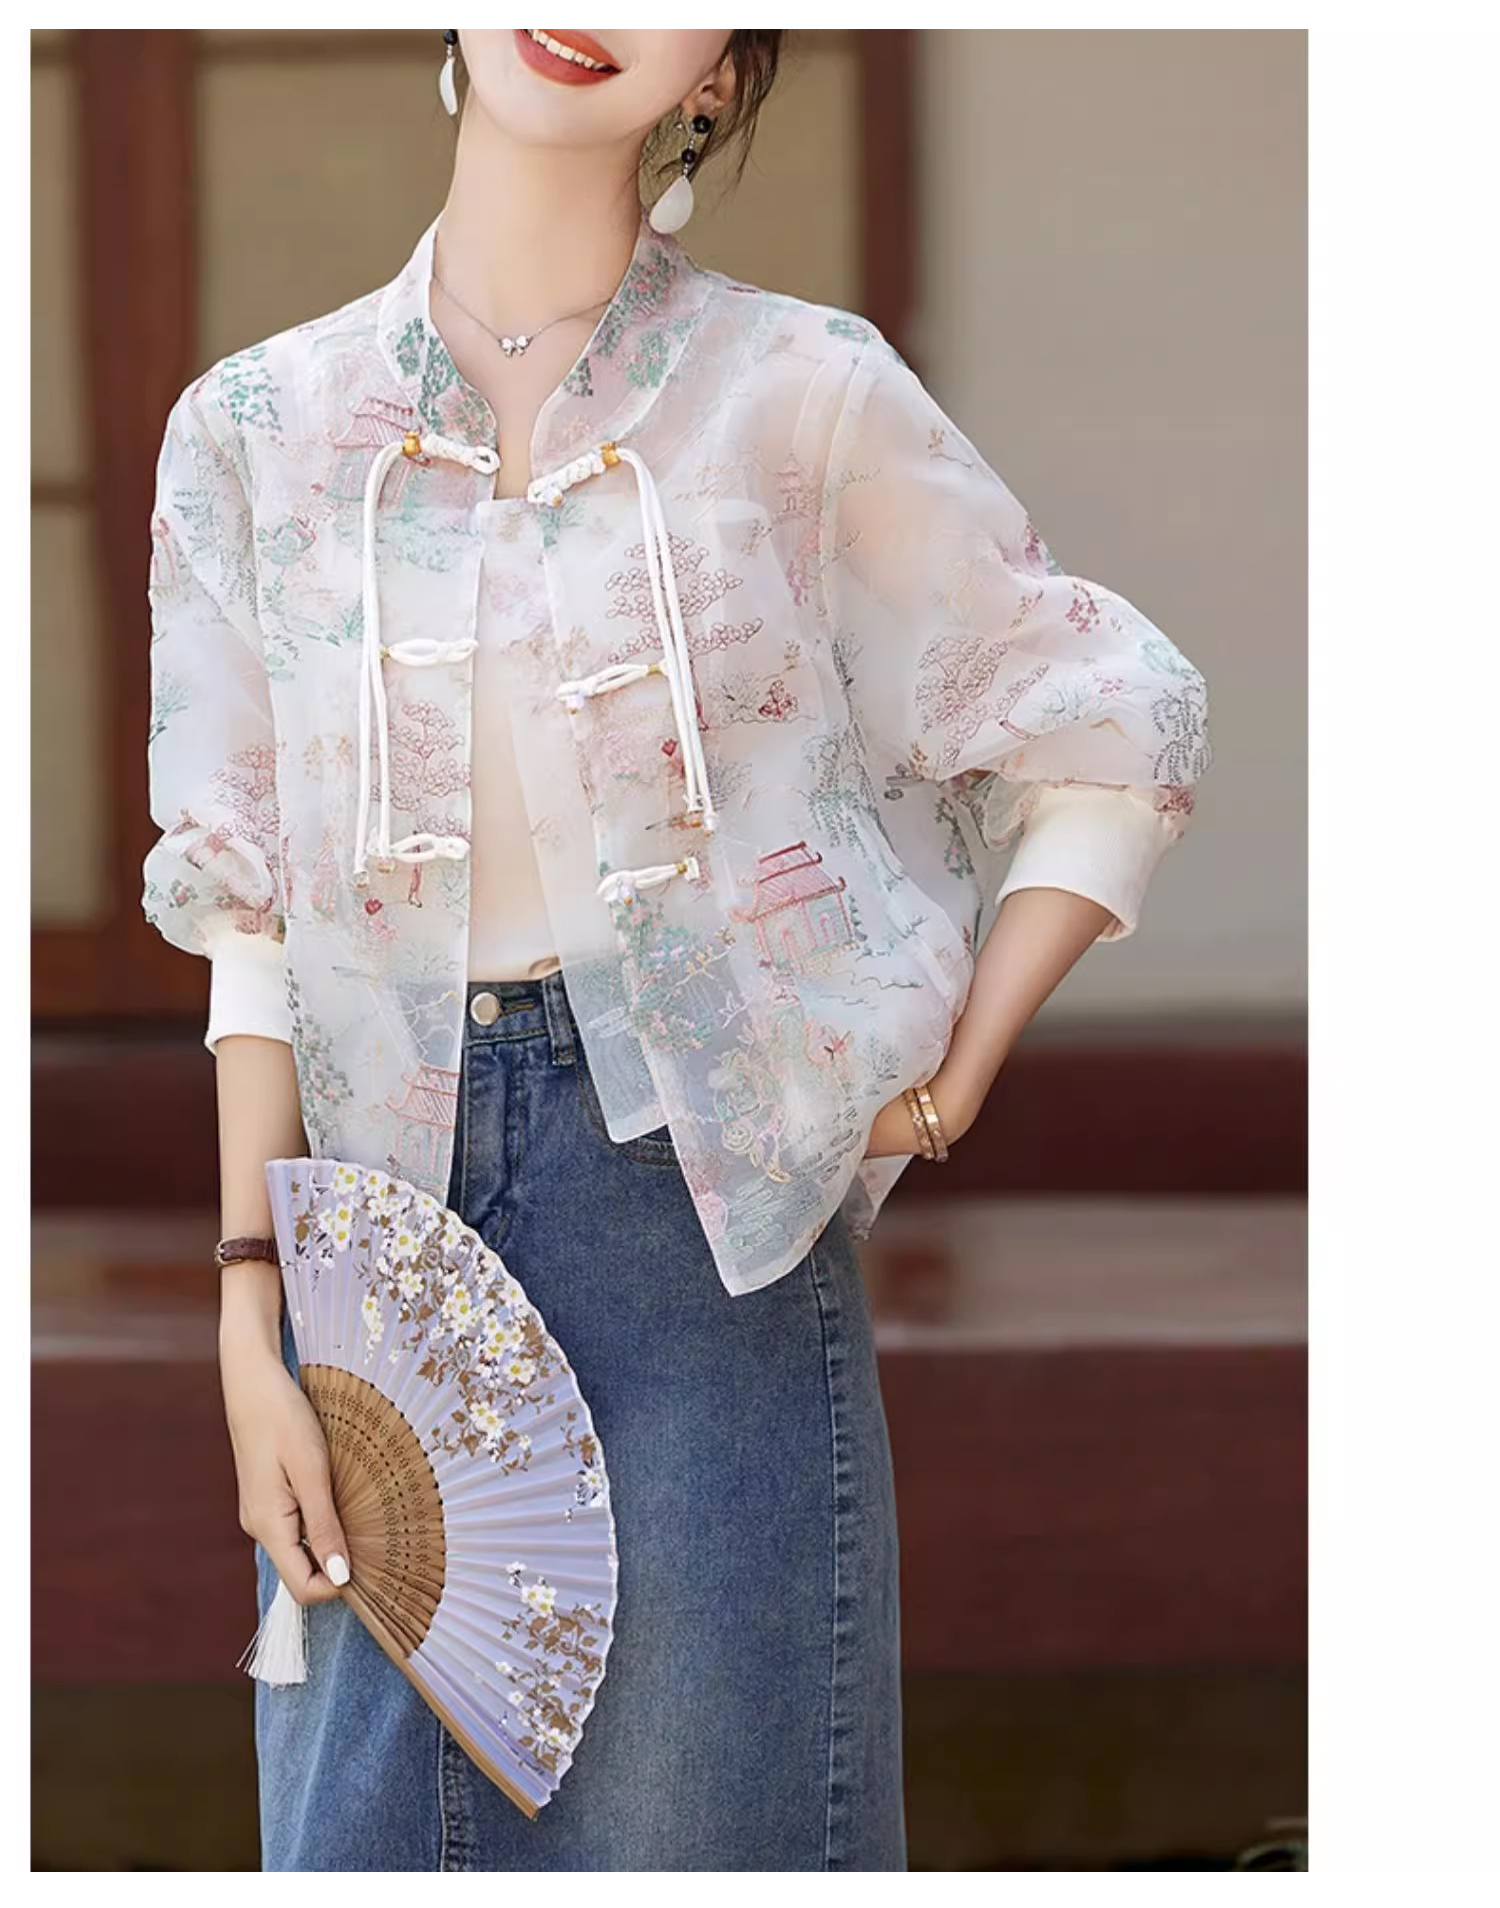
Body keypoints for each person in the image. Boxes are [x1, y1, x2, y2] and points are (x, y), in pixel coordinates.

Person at [142, 28, 1210, 1873]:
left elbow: (1108, 720)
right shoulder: (254, 430)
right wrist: (251, 1316)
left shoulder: (801, 394)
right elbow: (251, 906)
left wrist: (956, 1074)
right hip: (372, 1255)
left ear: (718, 76)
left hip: (704, 1237)